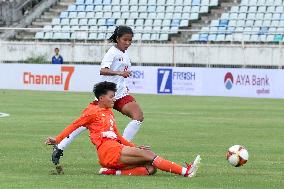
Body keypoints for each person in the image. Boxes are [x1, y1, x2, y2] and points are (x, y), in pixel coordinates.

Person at [45, 81, 201, 177]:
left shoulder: (109, 113)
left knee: (150, 168)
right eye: (111, 96)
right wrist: (57, 140)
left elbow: (119, 136)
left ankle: (112, 172)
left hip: (115, 150)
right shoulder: (91, 111)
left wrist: (134, 147)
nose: (114, 99)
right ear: (101, 98)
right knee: (150, 155)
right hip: (108, 151)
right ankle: (185, 172)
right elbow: (74, 126)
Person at [51, 26, 144, 165]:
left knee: (138, 116)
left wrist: (123, 83)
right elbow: (103, 70)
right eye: (125, 39)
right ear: (118, 39)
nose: (128, 42)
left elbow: (121, 73)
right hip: (107, 95)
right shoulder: (112, 52)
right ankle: (60, 146)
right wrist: (119, 74)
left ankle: (122, 148)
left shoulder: (124, 53)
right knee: (85, 123)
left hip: (120, 94)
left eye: (130, 40)